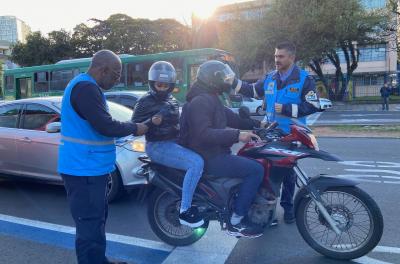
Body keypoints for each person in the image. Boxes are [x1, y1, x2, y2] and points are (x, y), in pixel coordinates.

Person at [58, 50, 148, 264]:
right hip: (84, 170)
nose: (117, 80)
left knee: (95, 222)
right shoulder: (86, 89)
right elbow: (105, 125)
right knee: (89, 226)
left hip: (89, 168)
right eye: (116, 75)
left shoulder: (83, 85)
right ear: (103, 69)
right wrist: (136, 127)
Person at [233, 41, 320, 224]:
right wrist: (232, 82)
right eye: (275, 56)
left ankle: (288, 209)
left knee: (288, 174)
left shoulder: (305, 79)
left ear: (291, 57)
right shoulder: (270, 77)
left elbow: (313, 105)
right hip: (270, 133)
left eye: (280, 56)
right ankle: (269, 213)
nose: (277, 60)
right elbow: (253, 90)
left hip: (292, 134)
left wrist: (288, 109)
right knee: (267, 173)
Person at [180, 60, 264, 238]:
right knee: (256, 170)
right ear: (213, 79)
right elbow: (203, 134)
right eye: (224, 79)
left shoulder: (211, 98)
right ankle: (237, 220)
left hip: (216, 152)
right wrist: (238, 135)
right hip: (210, 156)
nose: (227, 82)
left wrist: (260, 124)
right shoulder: (200, 102)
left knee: (256, 158)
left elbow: (234, 119)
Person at [132, 61, 205, 228]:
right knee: (196, 163)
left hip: (174, 142)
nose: (162, 87)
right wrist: (151, 122)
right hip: (158, 146)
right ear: (152, 83)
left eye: (166, 85)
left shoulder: (172, 99)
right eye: (159, 84)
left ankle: (198, 197)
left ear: (171, 85)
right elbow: (134, 129)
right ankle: (185, 210)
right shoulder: (144, 102)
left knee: (204, 153)